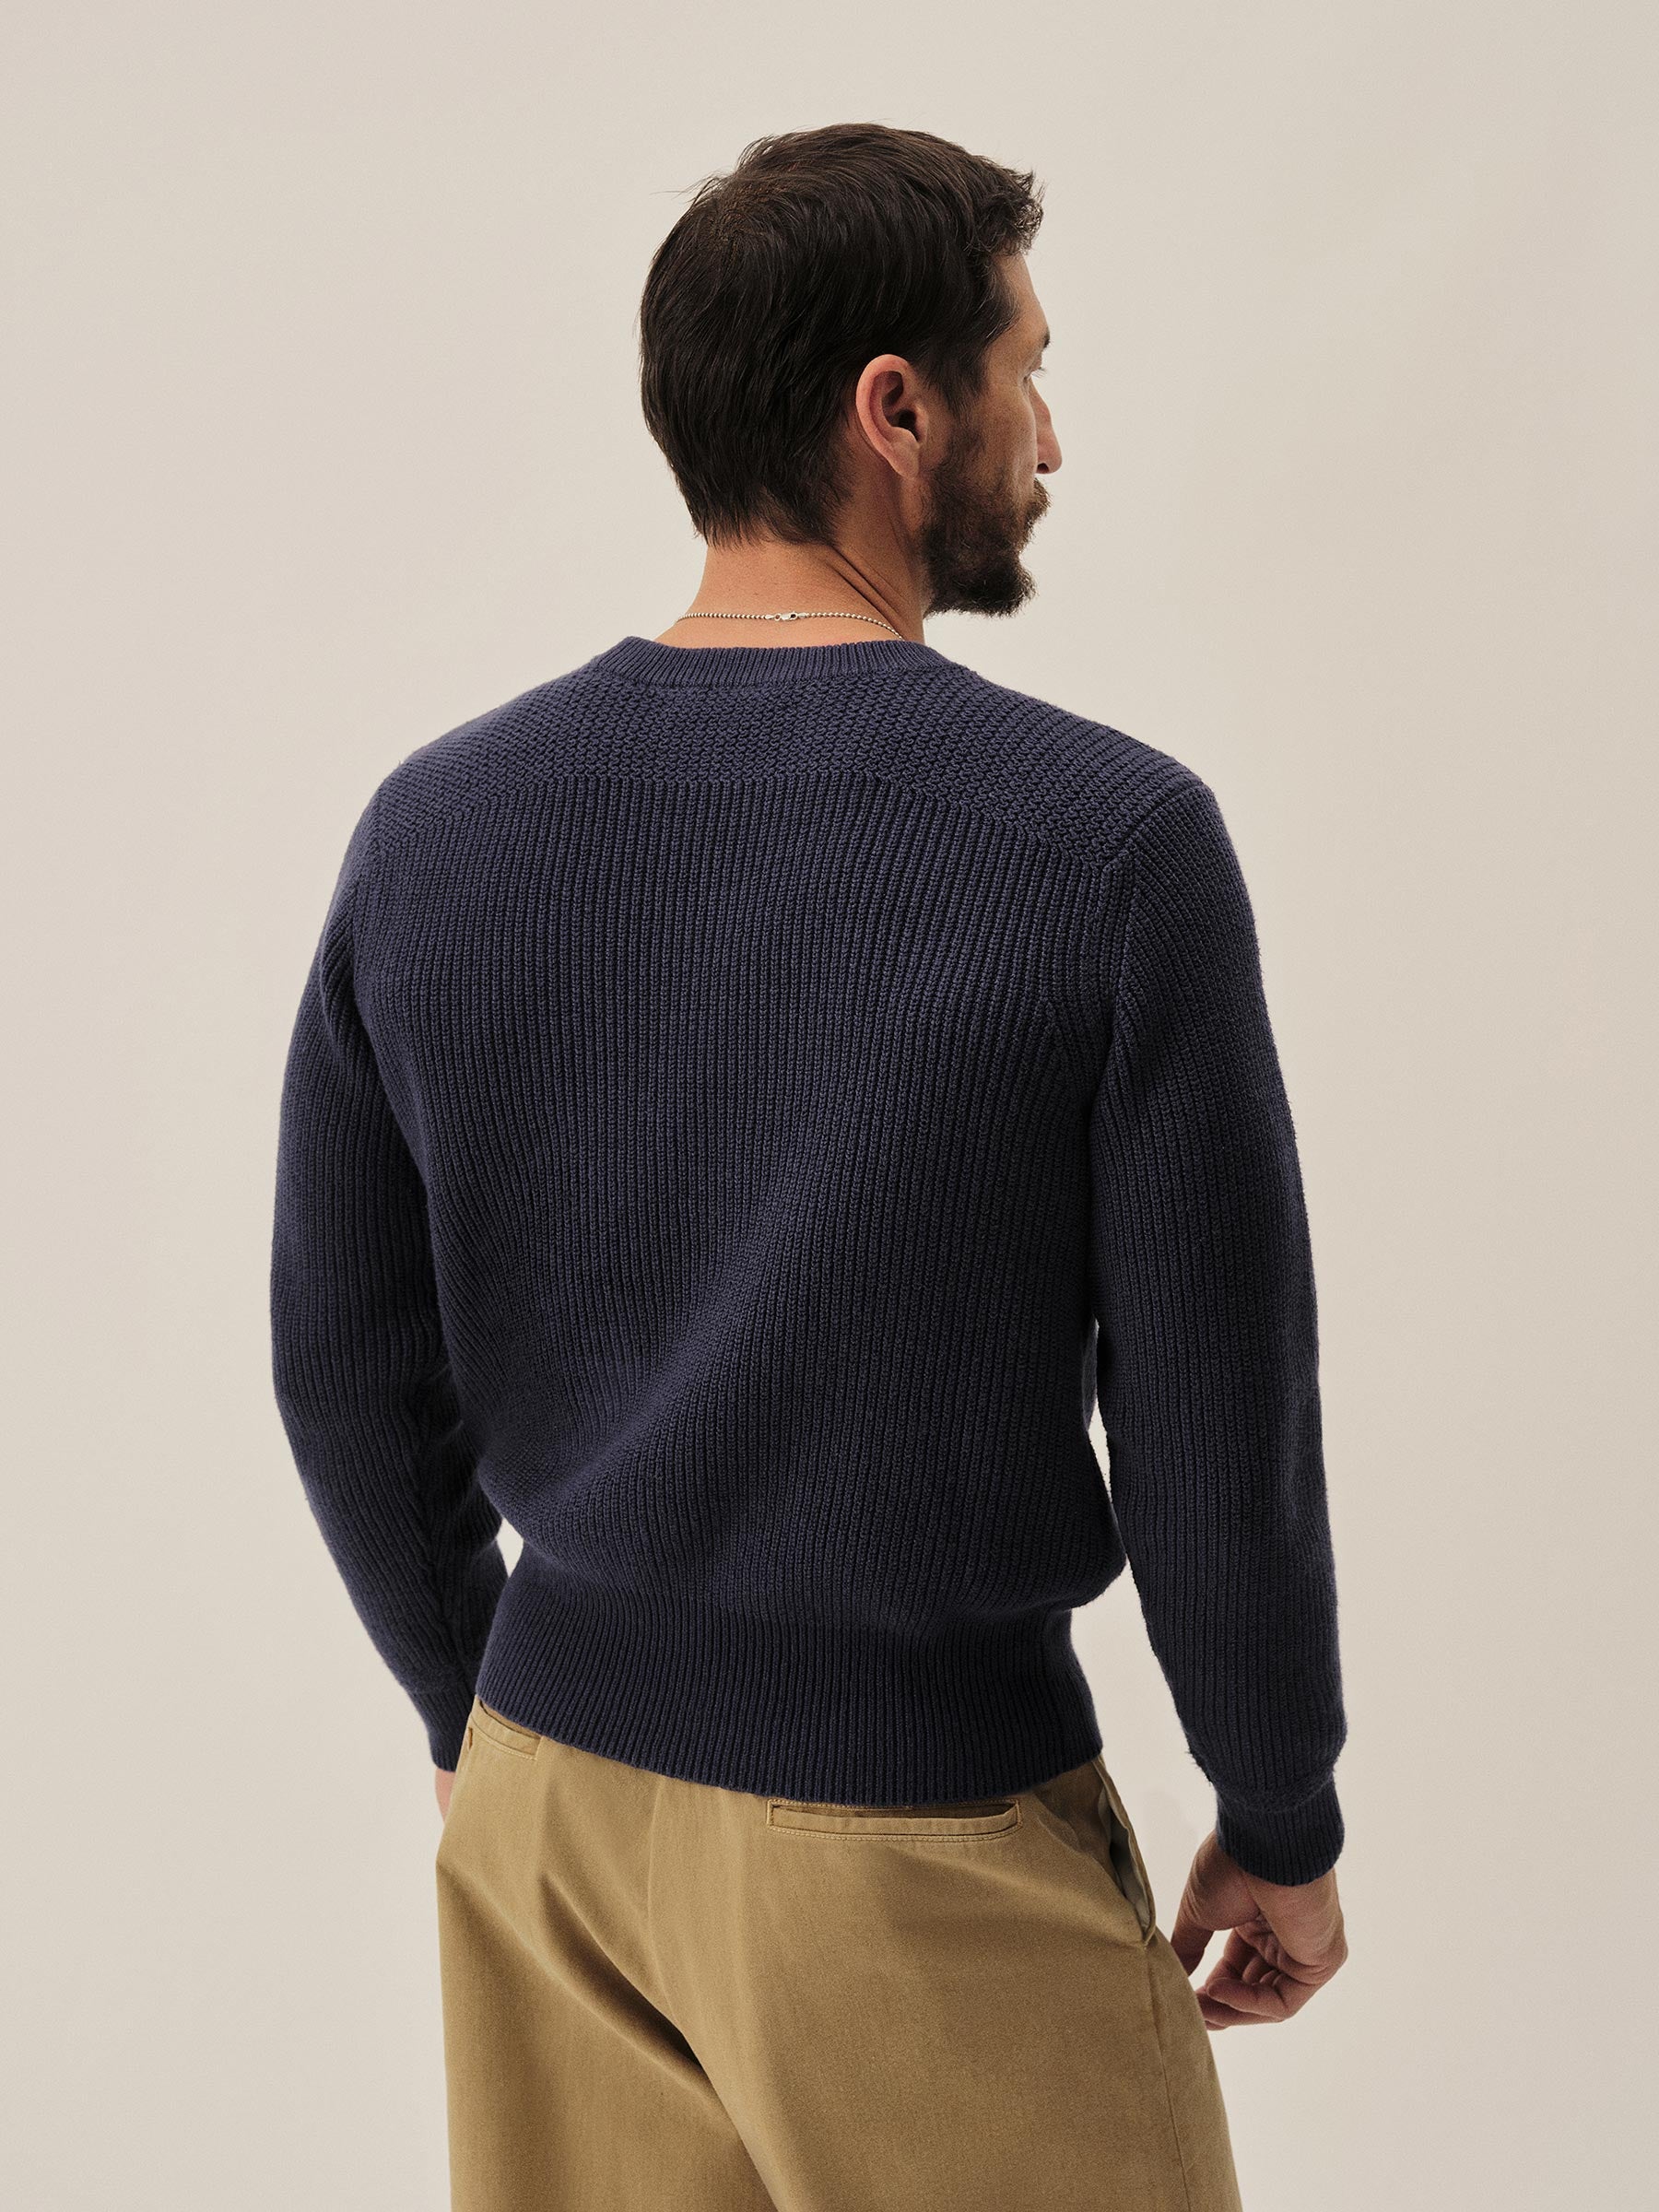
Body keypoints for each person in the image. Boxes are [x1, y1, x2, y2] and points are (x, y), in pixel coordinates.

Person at [270, 122, 1348, 2212]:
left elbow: (343, 1355)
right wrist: (1281, 1813)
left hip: (552, 1824)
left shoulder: (437, 827)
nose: (1053, 433)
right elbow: (1216, 1420)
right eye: (1028, 371)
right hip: (911, 1832)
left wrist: (474, 1703)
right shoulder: (1107, 847)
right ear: (897, 411)